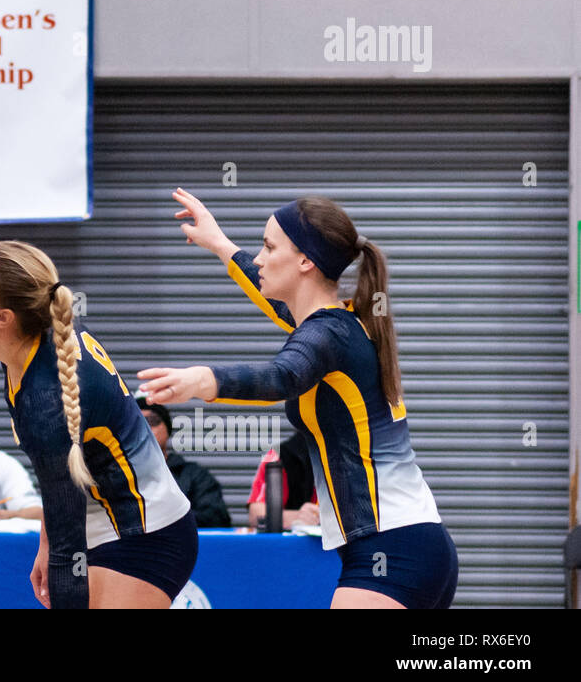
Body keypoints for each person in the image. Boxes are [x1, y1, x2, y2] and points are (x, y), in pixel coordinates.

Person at [138, 188, 458, 609]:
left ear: (306, 261)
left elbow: (282, 376)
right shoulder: (340, 324)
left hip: (391, 550)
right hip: (408, 544)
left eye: (269, 247)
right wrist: (218, 243)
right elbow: (276, 306)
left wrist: (203, 380)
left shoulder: (329, 334)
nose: (258, 258)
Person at [0, 239, 196, 609]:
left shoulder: (44, 396)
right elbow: (58, 480)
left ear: (3, 318)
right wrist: (44, 545)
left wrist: (56, 556)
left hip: (144, 535)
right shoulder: (34, 345)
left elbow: (66, 535)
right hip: (108, 526)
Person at [137, 399, 232, 528]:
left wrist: (167, 517)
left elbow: (216, 518)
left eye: (152, 421)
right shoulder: (116, 476)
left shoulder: (195, 476)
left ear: (167, 429)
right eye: (137, 423)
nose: (146, 428)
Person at [247, 433, 319, 529]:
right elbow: (256, 514)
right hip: (300, 542)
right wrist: (298, 517)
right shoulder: (280, 456)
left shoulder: (344, 455)